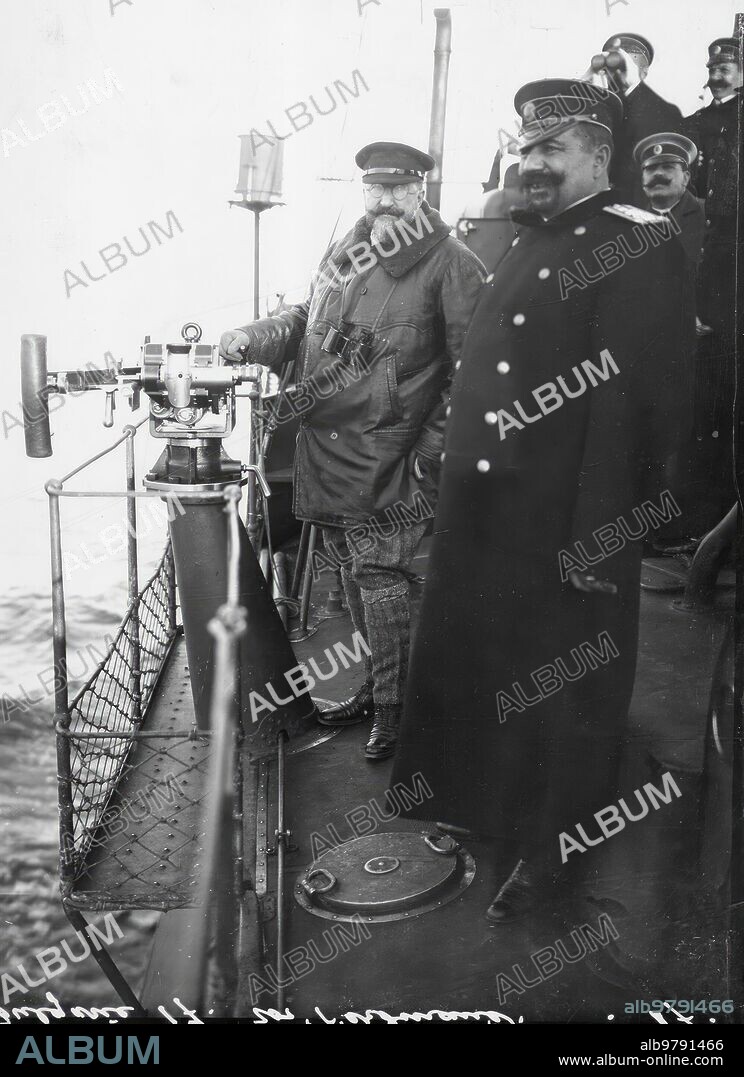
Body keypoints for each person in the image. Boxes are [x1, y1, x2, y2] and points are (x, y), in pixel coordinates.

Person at [390, 80, 692, 922]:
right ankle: (489, 806)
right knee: (493, 663)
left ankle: (556, 851)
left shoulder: (636, 239)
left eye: (552, 148)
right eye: (526, 149)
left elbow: (636, 398)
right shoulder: (532, 236)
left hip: (566, 514)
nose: (533, 163)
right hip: (492, 505)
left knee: (567, 686)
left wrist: (603, 527)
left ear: (599, 156)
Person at [220, 141, 486, 760]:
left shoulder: (453, 264)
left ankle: (396, 712)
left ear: (420, 192)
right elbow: (304, 319)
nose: (385, 201)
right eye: (375, 189)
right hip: (333, 452)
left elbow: (474, 376)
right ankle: (378, 688)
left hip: (394, 460)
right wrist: (251, 337)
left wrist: (427, 456)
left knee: (379, 578)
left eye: (398, 189)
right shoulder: (347, 251)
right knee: (351, 572)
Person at [682, 37, 742, 535]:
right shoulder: (695, 125)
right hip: (711, 257)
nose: (715, 74)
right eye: (712, 67)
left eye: (725, 67)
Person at [590, 33, 684, 205]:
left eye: (624, 66)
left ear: (644, 73)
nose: (616, 73)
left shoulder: (662, 111)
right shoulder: (598, 107)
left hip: (635, 207)